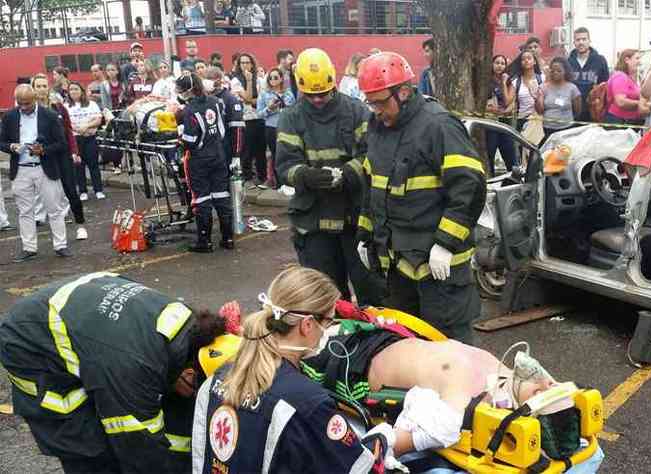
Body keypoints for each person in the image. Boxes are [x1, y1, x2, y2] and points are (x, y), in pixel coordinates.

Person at [192, 266, 414, 473]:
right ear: (307, 324)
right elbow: (358, 467)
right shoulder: (306, 402)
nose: (329, 331)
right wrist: (387, 438)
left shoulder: (218, 378)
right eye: (328, 322)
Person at [0, 272, 228, 473]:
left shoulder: (189, 323)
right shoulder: (134, 365)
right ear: (188, 375)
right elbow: (139, 446)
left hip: (84, 313)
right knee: (89, 447)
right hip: (30, 346)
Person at [356, 52, 486, 343]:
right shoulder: (377, 128)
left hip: (439, 265)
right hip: (398, 263)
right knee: (406, 342)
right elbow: (371, 186)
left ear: (403, 92)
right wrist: (365, 235)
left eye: (380, 101)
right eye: (370, 102)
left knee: (449, 347)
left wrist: (446, 243)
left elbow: (470, 186)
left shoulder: (438, 125)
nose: (375, 110)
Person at [275, 48, 384, 306]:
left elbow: (372, 155)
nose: (318, 100)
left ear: (333, 83)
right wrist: (306, 176)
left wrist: (348, 173)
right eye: (311, 95)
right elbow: (285, 166)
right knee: (325, 300)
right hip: (314, 222)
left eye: (323, 93)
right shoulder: (291, 118)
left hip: (354, 218)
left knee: (371, 294)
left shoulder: (356, 111)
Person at [0, 85, 70, 262]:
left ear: (36, 99)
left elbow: (62, 143)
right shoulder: (9, 116)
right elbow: (1, 141)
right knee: (25, 211)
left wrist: (43, 150)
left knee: (54, 209)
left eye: (27, 103)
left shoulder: (50, 115)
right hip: (21, 169)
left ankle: (61, 245)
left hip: (44, 168)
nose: (23, 107)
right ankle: (29, 248)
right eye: (20, 103)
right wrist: (11, 147)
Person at [176, 73, 235, 252]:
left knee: (201, 198)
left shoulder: (188, 111)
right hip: (218, 155)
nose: (178, 93)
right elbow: (221, 130)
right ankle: (228, 239)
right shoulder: (216, 102)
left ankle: (204, 242)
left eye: (179, 90)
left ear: (188, 90)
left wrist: (179, 139)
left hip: (199, 159)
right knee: (221, 196)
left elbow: (190, 140)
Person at [32, 74, 88, 241]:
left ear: (48, 88)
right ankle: (57, 233)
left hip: (63, 155)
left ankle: (80, 226)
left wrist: (74, 151)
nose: (41, 89)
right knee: (49, 196)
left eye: (44, 86)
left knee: (71, 190)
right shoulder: (30, 111)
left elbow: (69, 131)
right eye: (38, 86)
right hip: (44, 157)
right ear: (33, 89)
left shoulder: (58, 108)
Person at [231, 52, 267, 186]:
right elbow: (246, 97)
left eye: (248, 62)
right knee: (247, 150)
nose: (245, 65)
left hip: (260, 117)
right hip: (245, 118)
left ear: (252, 64)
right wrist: (249, 81)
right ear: (239, 65)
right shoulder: (236, 81)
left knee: (261, 150)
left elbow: (262, 99)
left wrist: (252, 100)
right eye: (242, 63)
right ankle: (248, 177)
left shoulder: (260, 79)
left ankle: (263, 177)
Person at [66, 82, 105, 202]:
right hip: (75, 139)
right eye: (71, 89)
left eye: (76, 89)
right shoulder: (66, 106)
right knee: (79, 165)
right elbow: (65, 123)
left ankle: (98, 190)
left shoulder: (92, 104)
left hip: (90, 138)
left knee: (93, 164)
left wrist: (86, 126)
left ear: (81, 90)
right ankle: (83, 191)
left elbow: (98, 119)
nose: (73, 91)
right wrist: (77, 129)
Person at [257, 67, 295, 188]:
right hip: (271, 128)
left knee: (286, 154)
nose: (273, 80)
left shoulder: (288, 93)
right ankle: (277, 182)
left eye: (276, 77)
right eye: (270, 78)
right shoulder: (264, 94)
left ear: (281, 79)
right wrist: (269, 108)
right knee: (275, 154)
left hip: (286, 127)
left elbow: (293, 111)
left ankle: (287, 181)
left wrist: (285, 106)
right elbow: (259, 114)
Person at [567, 27, 610, 122]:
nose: (581, 42)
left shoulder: (600, 60)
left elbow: (605, 85)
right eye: (578, 40)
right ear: (574, 42)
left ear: (589, 41)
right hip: (572, 110)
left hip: (593, 110)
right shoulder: (567, 61)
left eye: (584, 39)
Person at [206, 66, 245, 168]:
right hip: (207, 149)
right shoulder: (203, 98)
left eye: (209, 79)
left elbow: (237, 129)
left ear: (218, 80)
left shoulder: (230, 99)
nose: (206, 82)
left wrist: (236, 154)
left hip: (224, 147)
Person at [536, 57, 582, 142]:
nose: (555, 73)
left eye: (559, 71)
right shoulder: (543, 87)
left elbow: (577, 111)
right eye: (553, 71)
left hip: (567, 128)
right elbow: (540, 111)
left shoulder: (572, 88)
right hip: (548, 129)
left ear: (565, 71)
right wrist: (538, 97)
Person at [485, 54, 517, 174]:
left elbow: (509, 101)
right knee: (490, 153)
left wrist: (503, 82)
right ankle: (491, 179)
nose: (499, 66)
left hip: (505, 123)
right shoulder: (486, 82)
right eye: (497, 63)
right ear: (492, 64)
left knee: (510, 153)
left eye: (502, 63)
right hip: (491, 123)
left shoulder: (510, 83)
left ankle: (514, 180)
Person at [605, 49, 643, 126]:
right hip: (619, 121)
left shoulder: (631, 77)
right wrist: (641, 104)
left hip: (628, 120)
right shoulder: (620, 76)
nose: (640, 62)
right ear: (627, 60)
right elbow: (621, 102)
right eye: (637, 58)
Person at [507, 50, 542, 131]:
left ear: (534, 62)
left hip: (541, 119)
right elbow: (507, 101)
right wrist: (503, 83)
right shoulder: (516, 82)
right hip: (522, 120)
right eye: (523, 59)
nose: (526, 60)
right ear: (521, 63)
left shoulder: (542, 78)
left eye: (529, 58)